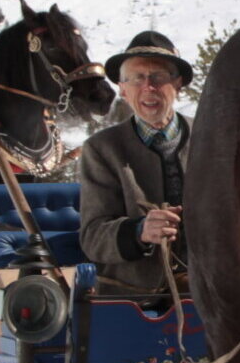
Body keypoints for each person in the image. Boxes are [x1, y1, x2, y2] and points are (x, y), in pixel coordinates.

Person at [78, 31, 193, 295]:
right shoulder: (102, 149)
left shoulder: (210, 139)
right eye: (138, 78)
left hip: (208, 294)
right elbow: (93, 237)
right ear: (123, 89)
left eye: (158, 77)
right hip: (133, 297)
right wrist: (139, 231)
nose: (148, 87)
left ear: (177, 85)